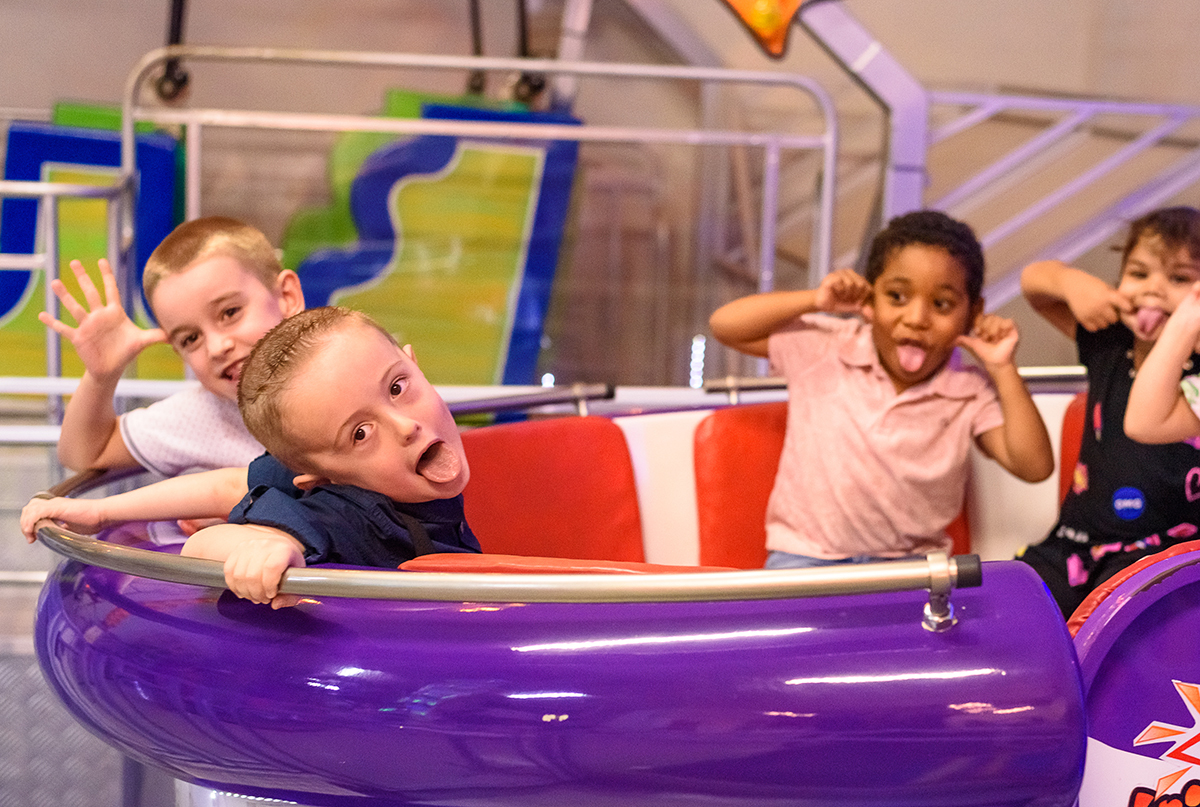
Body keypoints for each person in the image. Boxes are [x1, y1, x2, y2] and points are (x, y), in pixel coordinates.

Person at [22, 307, 481, 608]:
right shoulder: (344, 519)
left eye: (398, 387)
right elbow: (203, 546)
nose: (405, 427)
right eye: (360, 434)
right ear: (318, 479)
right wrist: (262, 550)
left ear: (414, 363)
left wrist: (101, 510)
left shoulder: (359, 471)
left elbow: (228, 485)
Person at [708, 209, 1053, 570]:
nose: (917, 319)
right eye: (897, 297)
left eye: (942, 304)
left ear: (973, 312)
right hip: (805, 555)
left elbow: (1034, 466)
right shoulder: (826, 345)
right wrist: (815, 301)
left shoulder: (969, 391)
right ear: (870, 299)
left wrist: (1002, 367)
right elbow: (726, 325)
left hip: (913, 566)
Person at [1018, 206, 1200, 618]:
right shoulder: (1109, 343)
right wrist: (1073, 283)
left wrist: (1185, 329)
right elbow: (1033, 282)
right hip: (1074, 545)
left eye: (1179, 278)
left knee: (1109, 623)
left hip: (1163, 554)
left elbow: (1146, 420)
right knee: (1010, 600)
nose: (1153, 290)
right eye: (1138, 273)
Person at [43, 216, 304, 476]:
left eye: (230, 313)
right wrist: (102, 377)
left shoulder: (342, 364)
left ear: (287, 297)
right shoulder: (203, 415)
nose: (215, 348)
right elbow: (82, 454)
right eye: (191, 339)